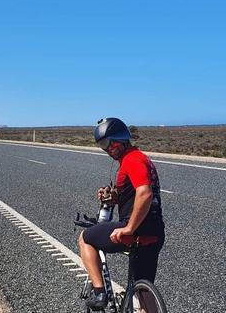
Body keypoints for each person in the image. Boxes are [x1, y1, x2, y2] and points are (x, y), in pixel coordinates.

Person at [78, 118, 165, 310]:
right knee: (142, 289)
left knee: (85, 239)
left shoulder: (132, 159)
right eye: (103, 145)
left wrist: (129, 228)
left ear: (123, 138)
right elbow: (133, 195)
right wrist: (112, 198)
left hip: (136, 230)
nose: (108, 148)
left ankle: (100, 293)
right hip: (155, 232)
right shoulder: (140, 159)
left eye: (111, 143)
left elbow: (145, 193)